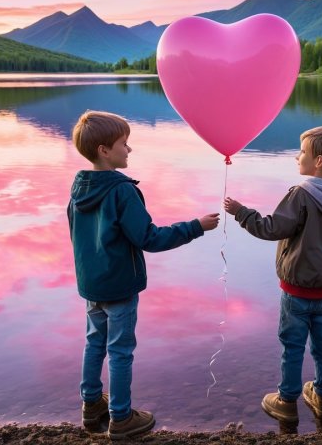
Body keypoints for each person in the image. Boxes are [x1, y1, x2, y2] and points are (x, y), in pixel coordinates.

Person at [68, 111, 220, 439]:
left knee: (94, 343)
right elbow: (149, 238)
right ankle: (121, 418)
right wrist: (196, 227)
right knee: (120, 350)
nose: (130, 150)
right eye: (124, 144)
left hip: (92, 284)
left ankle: (91, 404)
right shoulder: (122, 191)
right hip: (120, 285)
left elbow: (77, 238)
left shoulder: (79, 188)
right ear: (104, 150)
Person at [223, 125, 322, 424]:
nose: (297, 157)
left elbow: (273, 228)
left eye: (302, 152)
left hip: (296, 291)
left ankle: (286, 401)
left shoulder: (301, 195)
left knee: (292, 346)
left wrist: (241, 212)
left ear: (317, 161)